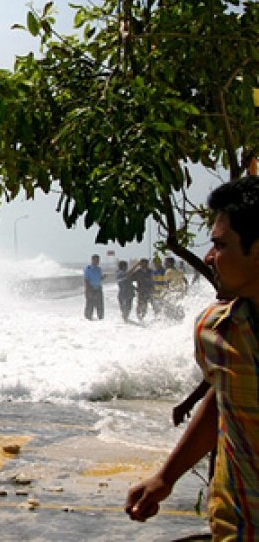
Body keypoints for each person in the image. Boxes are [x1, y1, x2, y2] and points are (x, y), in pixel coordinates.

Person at [126, 176, 259, 539]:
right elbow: (225, 397)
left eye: (221, 245)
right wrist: (165, 478)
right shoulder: (217, 330)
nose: (209, 258)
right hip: (238, 524)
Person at [83, 254, 105, 320]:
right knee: (90, 304)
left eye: (98, 260)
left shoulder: (99, 269)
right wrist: (88, 289)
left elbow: (99, 278)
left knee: (100, 304)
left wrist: (103, 277)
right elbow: (86, 280)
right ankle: (88, 318)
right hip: (90, 288)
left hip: (98, 288)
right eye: (96, 260)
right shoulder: (88, 269)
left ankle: (100, 318)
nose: (97, 261)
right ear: (92, 260)